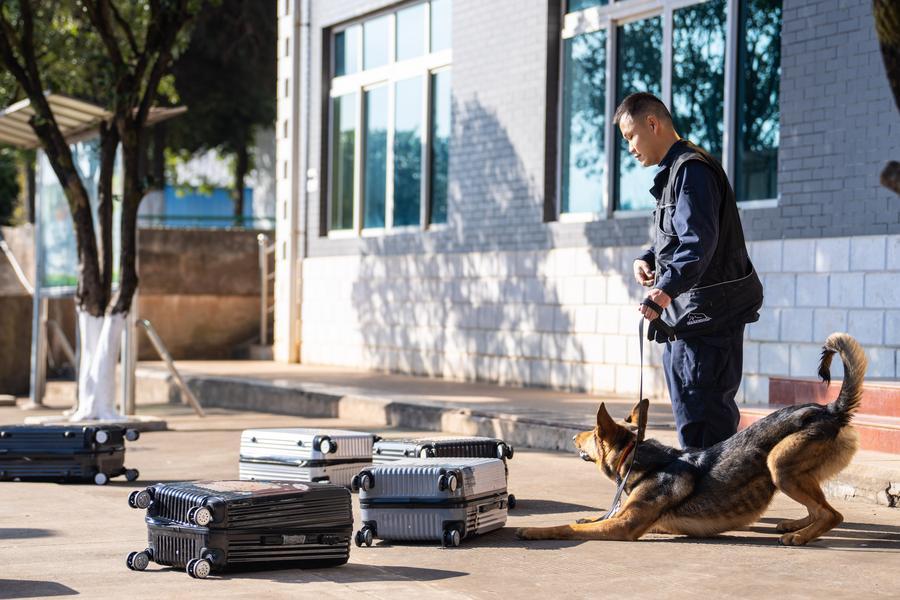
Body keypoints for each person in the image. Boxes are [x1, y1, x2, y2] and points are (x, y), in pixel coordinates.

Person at [616, 92, 764, 450]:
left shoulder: (692, 171)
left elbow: (698, 243)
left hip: (707, 320)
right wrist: (648, 258)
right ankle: (706, 488)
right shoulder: (675, 174)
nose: (630, 148)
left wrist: (664, 290)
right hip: (689, 319)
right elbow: (677, 237)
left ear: (653, 123)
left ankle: (716, 490)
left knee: (705, 427)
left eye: (630, 136)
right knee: (692, 422)